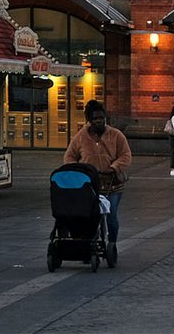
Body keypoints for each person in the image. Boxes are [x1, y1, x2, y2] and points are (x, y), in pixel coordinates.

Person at [64, 101, 132, 247]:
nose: (99, 121)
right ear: (89, 120)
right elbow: (69, 156)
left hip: (112, 185)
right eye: (95, 119)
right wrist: (77, 171)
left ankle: (112, 243)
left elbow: (126, 155)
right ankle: (92, 243)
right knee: (92, 216)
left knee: (111, 216)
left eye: (101, 118)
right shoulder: (80, 137)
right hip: (90, 186)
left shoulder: (116, 135)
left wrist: (114, 167)